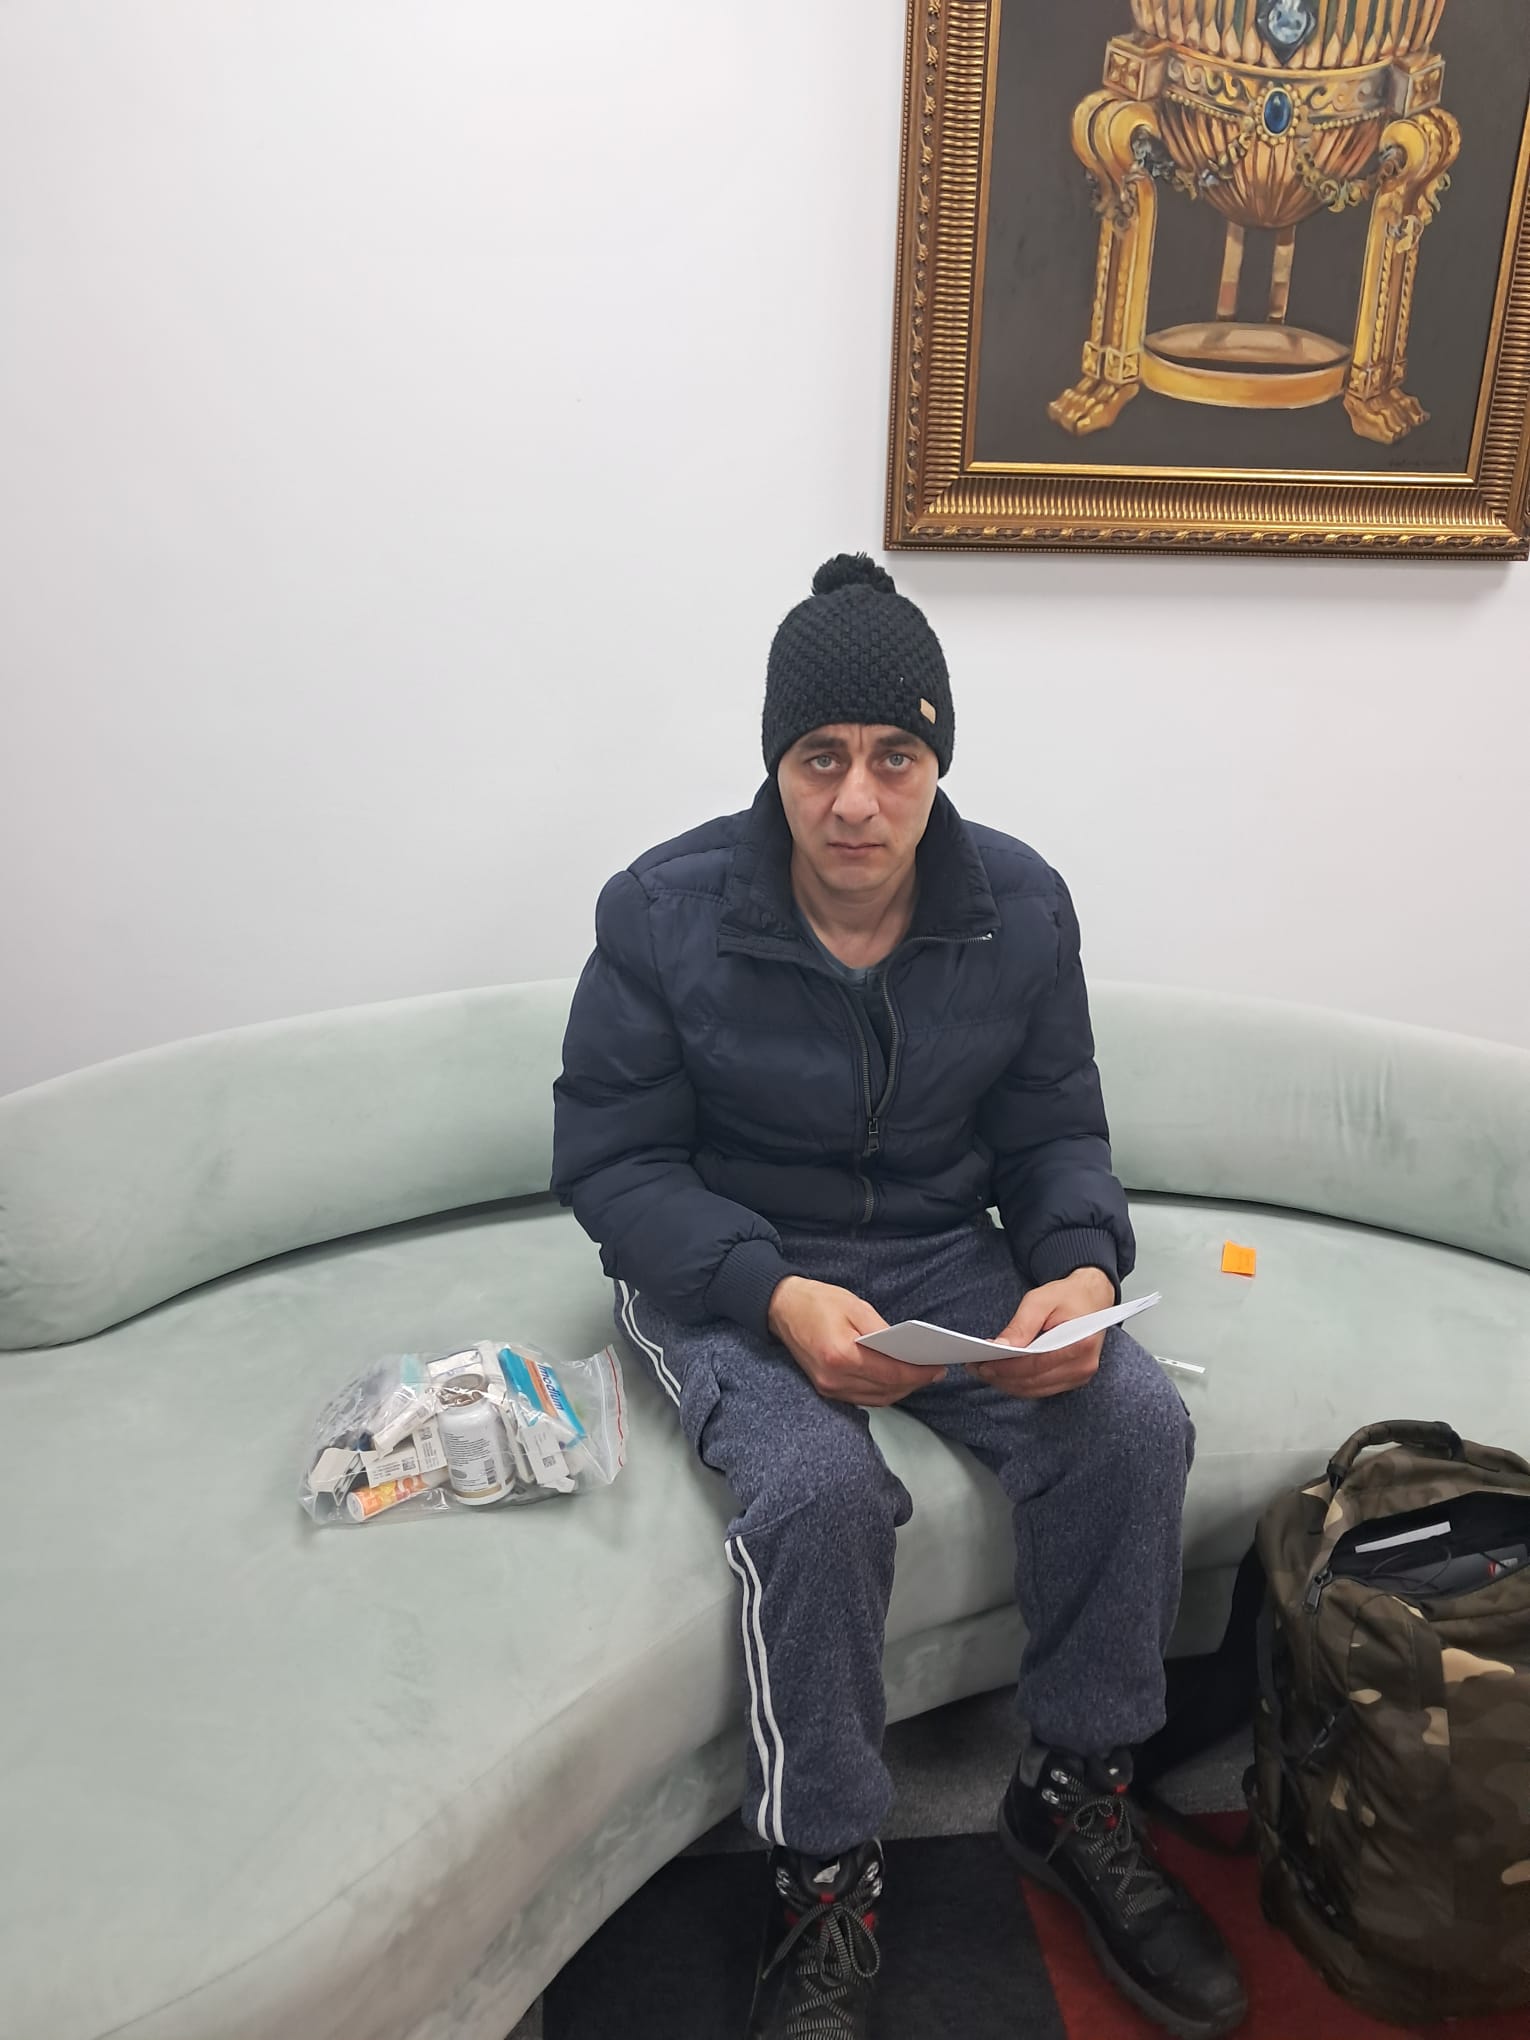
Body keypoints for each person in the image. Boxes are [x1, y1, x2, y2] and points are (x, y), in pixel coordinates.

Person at [552, 554, 1246, 2040]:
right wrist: (773, 1293)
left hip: (940, 1246)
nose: (856, 801)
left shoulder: (1020, 905)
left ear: (936, 763)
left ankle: (1075, 1791)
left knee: (1131, 1426)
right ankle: (824, 1872)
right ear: (775, 765)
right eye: (821, 758)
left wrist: (1076, 1269)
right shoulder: (661, 910)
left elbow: (1054, 1134)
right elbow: (614, 1165)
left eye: (894, 758)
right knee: (816, 1496)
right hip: (729, 1258)